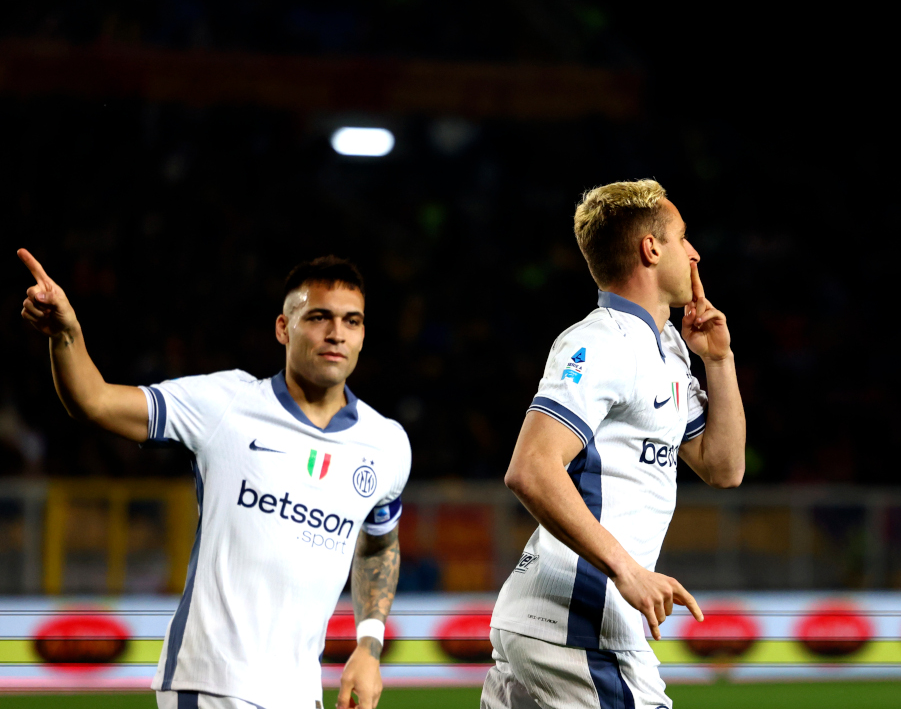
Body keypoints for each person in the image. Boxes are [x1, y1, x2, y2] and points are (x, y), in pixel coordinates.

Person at [18, 250, 410, 709]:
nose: (336, 333)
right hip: (210, 683)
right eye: (319, 316)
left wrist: (368, 644)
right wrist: (67, 333)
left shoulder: (386, 445)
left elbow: (380, 543)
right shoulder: (224, 404)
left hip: (301, 694)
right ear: (284, 328)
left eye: (352, 321)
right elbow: (96, 401)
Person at [484, 180, 746, 708]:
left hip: (553, 626)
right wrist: (629, 571)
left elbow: (723, 467)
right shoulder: (599, 342)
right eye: (682, 238)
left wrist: (718, 360)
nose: (695, 252)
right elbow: (531, 468)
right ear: (651, 249)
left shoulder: (667, 351)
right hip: (581, 629)